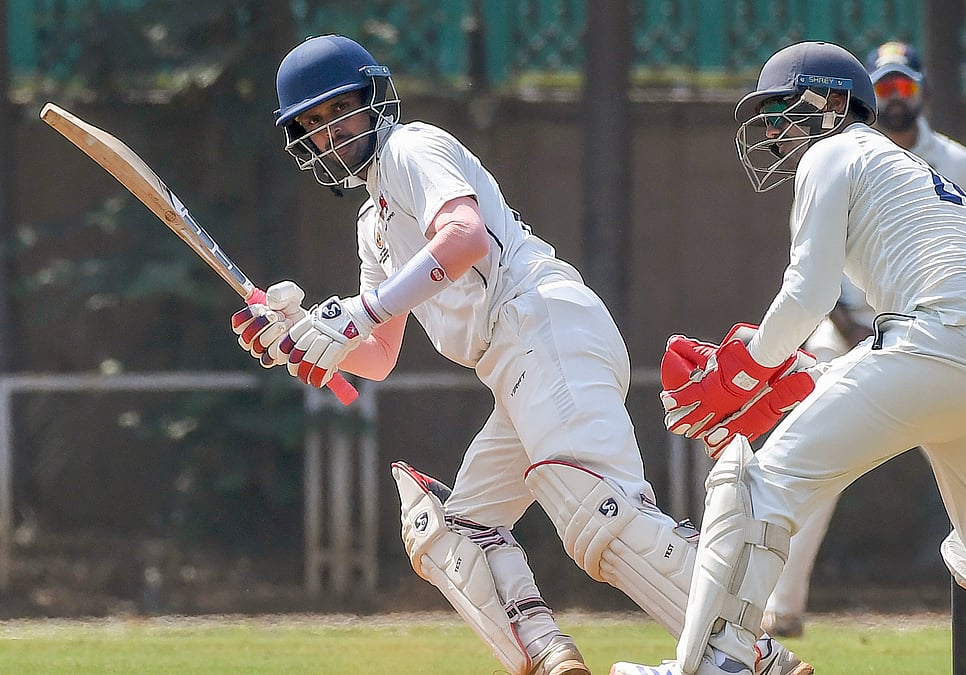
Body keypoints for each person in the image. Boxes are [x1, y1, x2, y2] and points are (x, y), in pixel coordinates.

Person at [229, 35, 812, 675]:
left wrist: (356, 314)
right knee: (457, 535)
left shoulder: (409, 148)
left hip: (541, 322)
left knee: (599, 511)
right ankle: (550, 659)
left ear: (373, 97)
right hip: (517, 362)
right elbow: (379, 353)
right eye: (313, 123)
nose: (330, 130)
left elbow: (464, 237)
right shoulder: (373, 225)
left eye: (340, 109)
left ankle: (754, 659)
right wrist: (303, 334)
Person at [612, 40, 966, 675]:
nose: (773, 131)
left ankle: (711, 665)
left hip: (944, 339)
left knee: (755, 486)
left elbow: (808, 293)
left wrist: (748, 367)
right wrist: (809, 370)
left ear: (831, 104)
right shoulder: (902, 167)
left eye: (781, 111)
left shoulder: (833, 151)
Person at [762, 40, 966, 639]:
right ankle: (780, 607)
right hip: (844, 325)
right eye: (885, 87)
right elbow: (814, 275)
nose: (896, 99)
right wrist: (851, 326)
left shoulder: (956, 161)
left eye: (905, 86)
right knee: (804, 453)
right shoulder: (834, 155)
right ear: (866, 94)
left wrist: (752, 362)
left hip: (935, 327)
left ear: (922, 91)